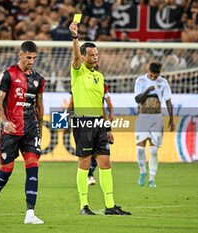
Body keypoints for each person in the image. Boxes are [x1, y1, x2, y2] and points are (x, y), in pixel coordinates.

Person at [69, 21, 131, 216]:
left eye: (97, 55)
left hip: (98, 124)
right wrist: (75, 37)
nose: (95, 58)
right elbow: (76, 56)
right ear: (84, 56)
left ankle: (110, 206)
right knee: (85, 163)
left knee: (105, 163)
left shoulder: (100, 77)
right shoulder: (78, 72)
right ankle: (84, 206)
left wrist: (108, 128)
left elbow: (101, 104)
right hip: (83, 122)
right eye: (92, 55)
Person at [0, 41, 45, 224]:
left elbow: (39, 107)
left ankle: (30, 213)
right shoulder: (8, 74)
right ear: (20, 55)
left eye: (34, 58)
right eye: (28, 58)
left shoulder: (39, 79)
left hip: (31, 129)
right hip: (11, 129)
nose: (31, 61)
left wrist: (40, 129)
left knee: (33, 167)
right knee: (6, 170)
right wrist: (4, 121)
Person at [134, 62, 175, 188]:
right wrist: (147, 90)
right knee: (140, 148)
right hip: (143, 117)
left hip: (157, 118)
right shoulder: (140, 80)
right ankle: (142, 172)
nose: (153, 78)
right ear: (148, 71)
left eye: (155, 76)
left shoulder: (163, 82)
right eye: (151, 75)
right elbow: (137, 99)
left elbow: (168, 101)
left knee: (153, 150)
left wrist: (171, 119)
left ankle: (152, 179)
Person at [66, 82, 113, 186]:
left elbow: (105, 104)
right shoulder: (79, 82)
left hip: (92, 121)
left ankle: (89, 174)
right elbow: (71, 104)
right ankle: (88, 176)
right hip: (84, 121)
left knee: (97, 153)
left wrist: (108, 125)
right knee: (89, 154)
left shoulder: (100, 82)